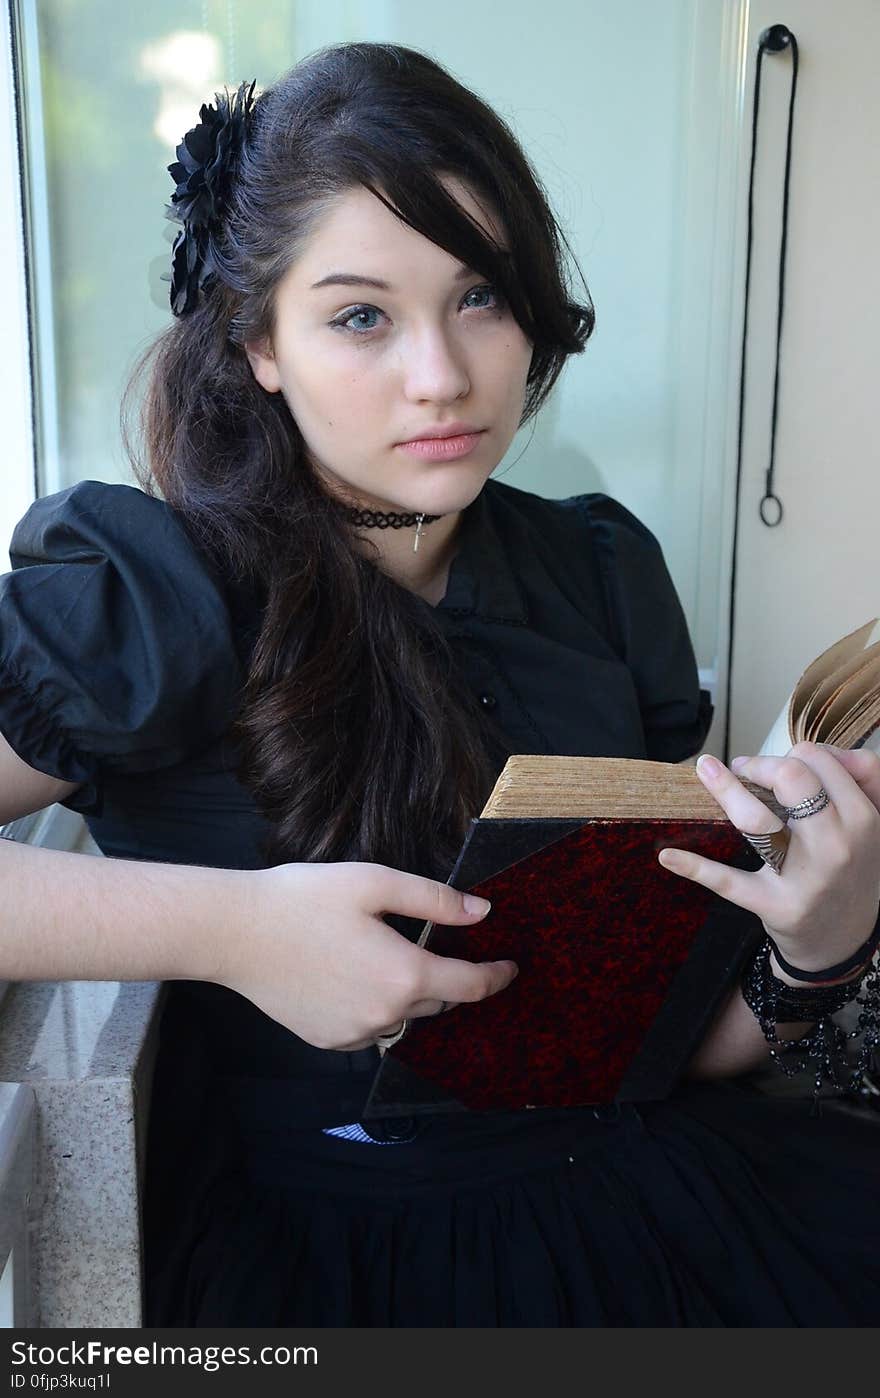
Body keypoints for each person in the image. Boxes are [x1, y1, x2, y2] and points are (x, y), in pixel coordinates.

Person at [1, 41, 879, 1328]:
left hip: (655, 1191)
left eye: (479, 297)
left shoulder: (599, 568)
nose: (444, 375)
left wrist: (816, 949)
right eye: (360, 314)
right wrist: (229, 932)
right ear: (257, 344)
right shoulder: (149, 588)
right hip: (343, 1254)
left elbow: (651, 1045)